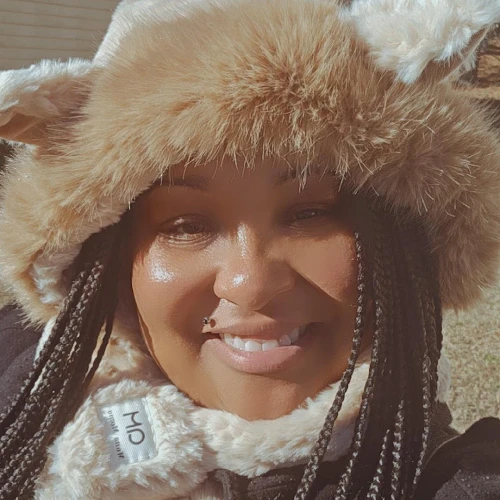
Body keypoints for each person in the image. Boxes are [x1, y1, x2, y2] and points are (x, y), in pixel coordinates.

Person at [0, 0, 499, 498]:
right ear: (106, 258)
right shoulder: (15, 376)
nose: (251, 283)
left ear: (405, 240)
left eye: (309, 213)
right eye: (185, 225)